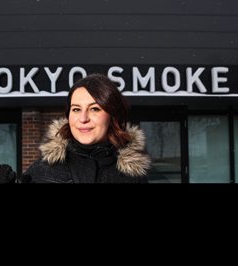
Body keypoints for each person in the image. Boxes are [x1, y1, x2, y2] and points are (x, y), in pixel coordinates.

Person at [21, 73, 151, 183]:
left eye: (94, 109)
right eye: (76, 109)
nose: (83, 119)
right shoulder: (42, 170)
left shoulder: (134, 175)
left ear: (112, 115)